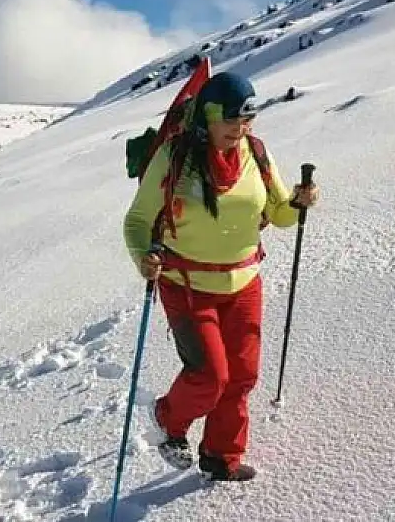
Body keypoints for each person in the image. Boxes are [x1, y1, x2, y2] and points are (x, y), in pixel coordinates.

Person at [122, 71, 319, 481]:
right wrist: (144, 257)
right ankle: (168, 419)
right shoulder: (175, 157)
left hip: (244, 281)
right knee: (210, 376)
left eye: (247, 118)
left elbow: (279, 214)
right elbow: (138, 220)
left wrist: (299, 203)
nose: (239, 128)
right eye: (230, 119)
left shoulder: (257, 153)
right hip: (188, 283)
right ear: (206, 117)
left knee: (242, 376)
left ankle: (221, 457)